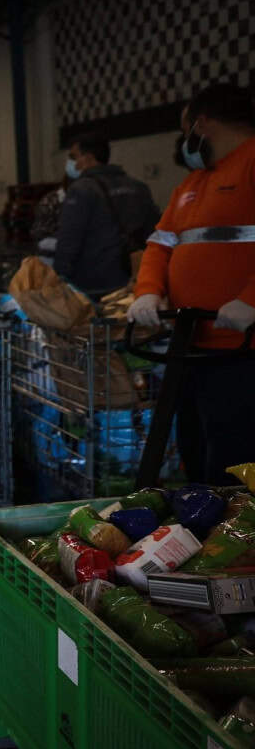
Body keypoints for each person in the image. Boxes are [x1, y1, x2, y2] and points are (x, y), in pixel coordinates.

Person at [128, 82, 255, 485]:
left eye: (186, 132)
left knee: (236, 456)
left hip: (244, 350)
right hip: (191, 346)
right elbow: (160, 243)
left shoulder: (251, 163)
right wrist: (147, 289)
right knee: (196, 448)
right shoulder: (192, 183)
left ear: (202, 124)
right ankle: (208, 534)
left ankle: (239, 541)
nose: (185, 143)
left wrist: (252, 300)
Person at [54, 132, 160, 298]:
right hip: (132, 279)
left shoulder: (81, 190)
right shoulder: (138, 187)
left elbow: (69, 239)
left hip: (92, 284)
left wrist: (58, 277)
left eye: (74, 157)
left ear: (88, 158)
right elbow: (154, 233)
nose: (71, 163)